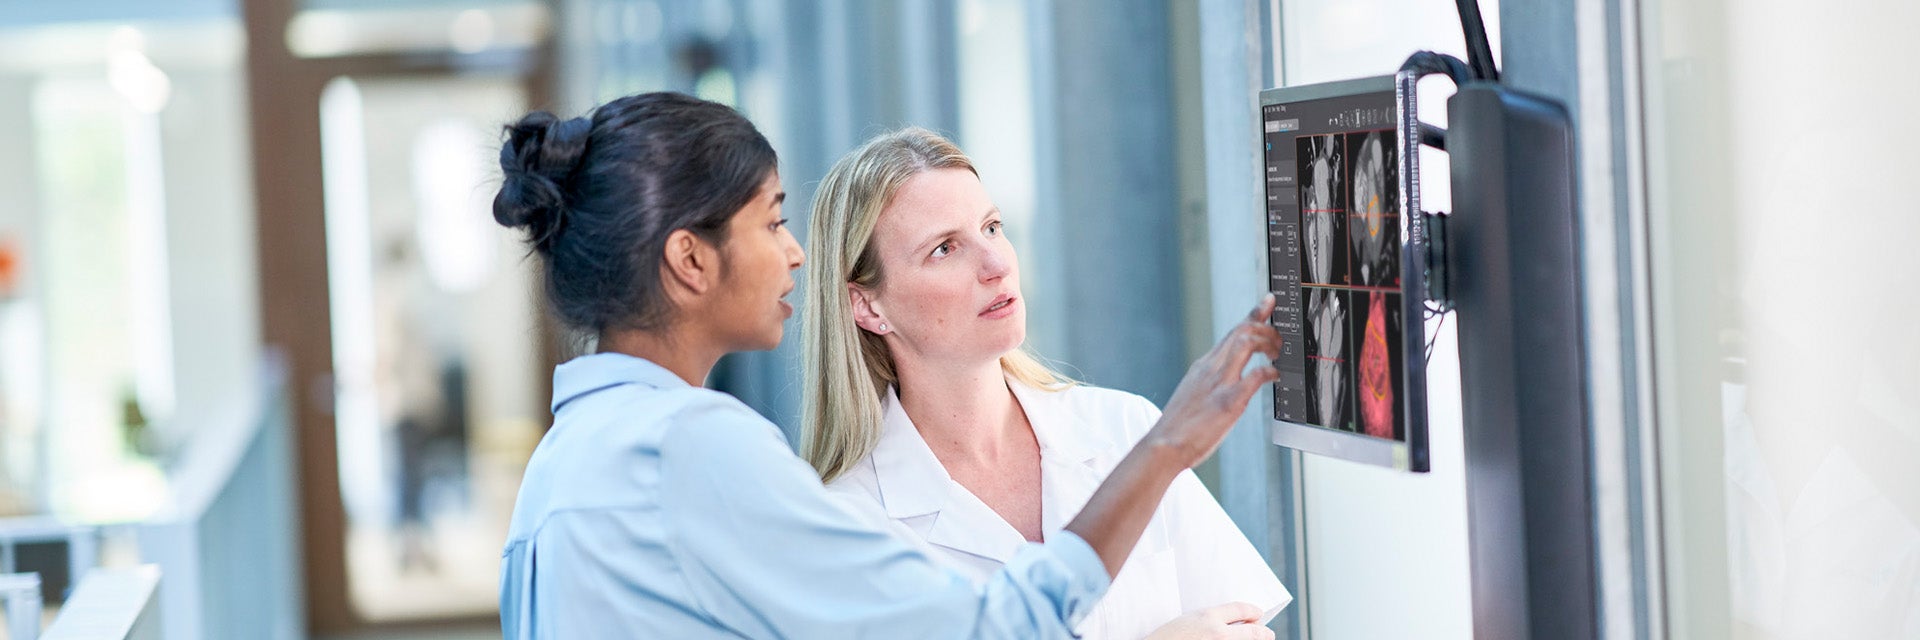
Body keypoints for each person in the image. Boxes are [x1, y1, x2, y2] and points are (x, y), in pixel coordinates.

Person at [492, 92, 1284, 639]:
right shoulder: (688, 450)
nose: (792, 252)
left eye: (992, 228)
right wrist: (1170, 449)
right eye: (771, 222)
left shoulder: (565, 469)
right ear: (691, 260)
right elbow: (983, 630)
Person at [800, 128, 1292, 639]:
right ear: (868, 306)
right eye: (945, 248)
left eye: (992, 227)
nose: (996, 265)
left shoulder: (1124, 429)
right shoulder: (848, 524)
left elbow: (1246, 628)